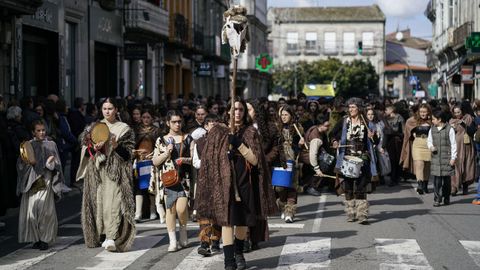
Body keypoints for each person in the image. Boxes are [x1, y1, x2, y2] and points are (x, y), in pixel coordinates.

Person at [196, 98, 276, 270]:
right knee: (226, 221)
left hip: (244, 181)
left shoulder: (250, 132)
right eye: (235, 109)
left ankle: (239, 252)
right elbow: (209, 160)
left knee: (241, 221)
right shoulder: (218, 131)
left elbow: (255, 160)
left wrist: (239, 145)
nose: (237, 112)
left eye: (241, 109)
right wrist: (225, 156)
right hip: (224, 183)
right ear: (229, 111)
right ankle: (229, 261)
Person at [76, 97, 136, 252]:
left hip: (116, 172)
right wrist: (93, 148)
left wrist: (115, 146)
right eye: (105, 109)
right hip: (96, 171)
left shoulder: (124, 129)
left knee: (114, 202)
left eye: (110, 108)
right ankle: (101, 235)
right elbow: (84, 148)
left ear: (116, 110)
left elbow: (128, 154)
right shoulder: (93, 127)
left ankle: (111, 236)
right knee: (99, 202)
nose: (107, 111)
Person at [17, 120, 64, 250]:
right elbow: (20, 165)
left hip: (47, 180)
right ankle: (36, 238)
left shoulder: (51, 144)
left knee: (45, 211)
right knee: (32, 211)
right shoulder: (28, 145)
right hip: (32, 181)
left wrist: (51, 164)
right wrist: (29, 163)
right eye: (38, 130)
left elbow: (58, 165)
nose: (42, 132)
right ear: (33, 132)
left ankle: (45, 239)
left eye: (43, 130)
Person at [151, 110, 193, 252]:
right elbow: (155, 161)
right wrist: (166, 153)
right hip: (167, 180)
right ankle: (173, 241)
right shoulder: (161, 140)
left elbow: (195, 159)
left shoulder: (187, 138)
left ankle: (183, 231)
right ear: (168, 123)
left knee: (181, 209)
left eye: (179, 121)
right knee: (170, 210)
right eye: (174, 122)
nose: (177, 124)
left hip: (184, 180)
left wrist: (184, 160)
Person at [334, 98, 378, 224]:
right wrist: (335, 142)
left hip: (362, 157)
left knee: (361, 186)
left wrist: (373, 136)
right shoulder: (344, 121)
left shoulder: (366, 123)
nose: (351, 109)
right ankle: (350, 213)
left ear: (359, 108)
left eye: (353, 107)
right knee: (347, 186)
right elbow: (332, 134)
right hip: (346, 157)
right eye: (349, 107)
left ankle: (362, 214)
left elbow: (376, 141)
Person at [192, 114, 222, 256]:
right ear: (205, 127)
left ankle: (215, 241)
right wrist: (207, 162)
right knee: (204, 212)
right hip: (204, 181)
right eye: (210, 123)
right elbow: (195, 162)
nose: (213, 125)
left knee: (217, 212)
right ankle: (204, 242)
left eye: (215, 123)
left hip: (220, 181)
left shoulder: (223, 141)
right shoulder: (199, 142)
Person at [133, 108, 161, 222]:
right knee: (139, 187)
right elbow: (131, 145)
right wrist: (135, 152)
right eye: (143, 117)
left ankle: (153, 211)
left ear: (152, 118)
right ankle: (138, 213)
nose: (145, 119)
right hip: (139, 161)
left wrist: (154, 154)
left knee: (151, 186)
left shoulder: (157, 130)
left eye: (148, 117)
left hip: (152, 161)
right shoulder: (136, 130)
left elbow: (160, 145)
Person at [275, 105, 301, 223]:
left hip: (292, 161)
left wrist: (300, 144)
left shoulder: (297, 128)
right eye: (282, 115)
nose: (284, 117)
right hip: (279, 160)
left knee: (292, 186)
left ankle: (289, 212)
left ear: (291, 116)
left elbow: (299, 147)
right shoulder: (277, 128)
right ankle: (283, 207)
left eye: (286, 115)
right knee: (280, 187)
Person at [400, 103, 432, 194]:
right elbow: (407, 131)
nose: (423, 114)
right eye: (421, 112)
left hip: (428, 145)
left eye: (424, 112)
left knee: (427, 166)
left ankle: (425, 185)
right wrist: (412, 134)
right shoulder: (412, 120)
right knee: (419, 164)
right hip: (417, 144)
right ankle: (420, 185)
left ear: (428, 112)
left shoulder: (432, 121)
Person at [427, 110, 456, 207]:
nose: (432, 121)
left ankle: (446, 197)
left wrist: (453, 158)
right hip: (436, 158)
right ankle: (437, 199)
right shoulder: (432, 129)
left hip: (447, 158)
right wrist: (431, 147)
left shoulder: (449, 129)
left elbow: (453, 144)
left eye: (433, 119)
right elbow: (429, 141)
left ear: (439, 120)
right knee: (437, 181)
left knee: (446, 180)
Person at [449, 104, 476, 196]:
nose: (457, 114)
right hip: (456, 147)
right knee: (455, 166)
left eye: (458, 112)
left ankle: (465, 186)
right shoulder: (451, 121)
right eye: (455, 112)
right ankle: (454, 187)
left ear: (462, 111)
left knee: (466, 166)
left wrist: (464, 124)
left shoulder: (468, 118)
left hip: (467, 147)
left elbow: (473, 131)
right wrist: (451, 128)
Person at [384, 104, 405, 186]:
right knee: (391, 160)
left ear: (391, 110)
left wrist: (396, 134)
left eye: (386, 110)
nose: (385, 111)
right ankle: (393, 178)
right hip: (389, 141)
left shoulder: (399, 118)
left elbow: (403, 131)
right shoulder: (385, 119)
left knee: (396, 160)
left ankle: (395, 178)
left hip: (397, 141)